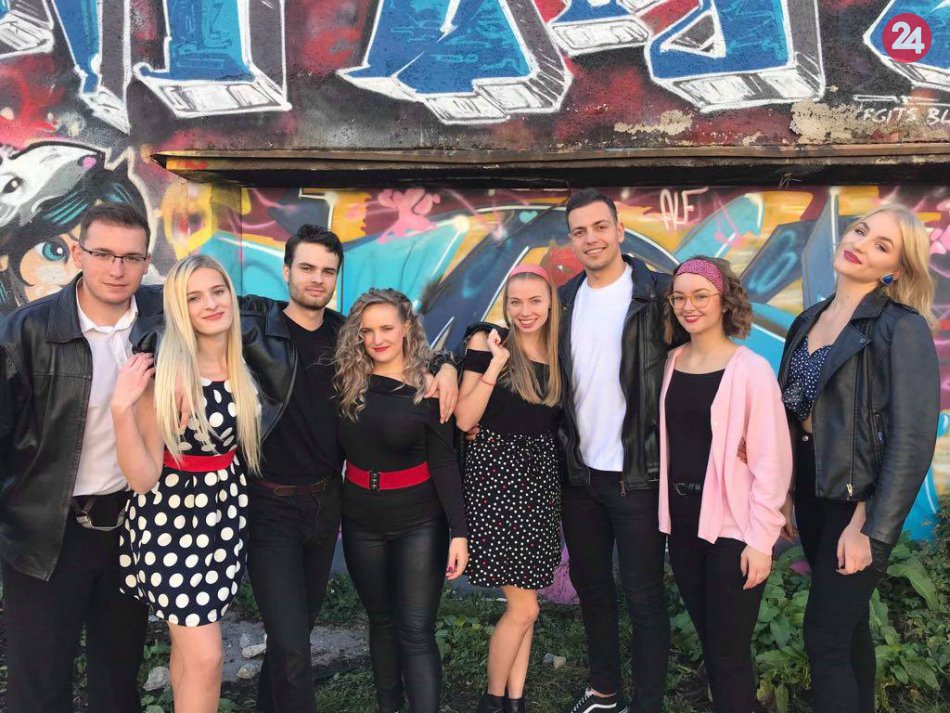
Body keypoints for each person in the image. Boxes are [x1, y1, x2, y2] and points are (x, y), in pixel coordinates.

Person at [777, 204, 939, 713]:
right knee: (848, 634)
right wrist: (785, 491)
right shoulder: (808, 320)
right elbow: (792, 416)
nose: (861, 244)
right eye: (861, 231)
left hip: (859, 502)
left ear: (897, 269)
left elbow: (911, 439)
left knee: (823, 638)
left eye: (881, 245)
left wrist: (869, 524)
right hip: (812, 490)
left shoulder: (899, 327)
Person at [0, 202, 154, 713]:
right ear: (78, 254)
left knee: (118, 681)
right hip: (45, 533)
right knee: (40, 687)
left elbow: (232, 310)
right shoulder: (26, 332)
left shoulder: (160, 324)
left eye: (130, 258)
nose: (117, 269)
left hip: (127, 532)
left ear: (146, 261)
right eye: (103, 254)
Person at [111, 254, 261, 712]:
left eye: (218, 291)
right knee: (208, 657)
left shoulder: (243, 361)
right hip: (170, 523)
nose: (211, 304)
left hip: (223, 519)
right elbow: (142, 478)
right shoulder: (167, 373)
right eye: (194, 298)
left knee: (188, 648)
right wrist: (121, 410)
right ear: (179, 308)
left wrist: (446, 363)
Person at [658, 256, 792, 712]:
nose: (689, 306)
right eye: (679, 298)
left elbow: (772, 460)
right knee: (712, 644)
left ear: (724, 300)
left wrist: (761, 541)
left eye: (701, 296)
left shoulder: (750, 369)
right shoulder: (670, 363)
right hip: (683, 525)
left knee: (728, 653)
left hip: (734, 528)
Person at [557, 188, 673, 713]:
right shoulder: (563, 300)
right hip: (580, 477)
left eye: (600, 227)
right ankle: (605, 691)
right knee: (594, 591)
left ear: (619, 230)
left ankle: (647, 702)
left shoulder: (658, 294)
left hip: (638, 475)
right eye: (580, 231)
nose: (592, 239)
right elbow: (515, 339)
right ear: (571, 240)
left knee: (645, 597)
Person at [335, 288, 469, 713]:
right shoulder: (345, 380)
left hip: (419, 522)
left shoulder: (429, 388)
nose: (377, 339)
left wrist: (459, 532)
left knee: (415, 630)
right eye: (367, 331)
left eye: (387, 328)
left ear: (407, 327)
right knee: (381, 622)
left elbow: (444, 462)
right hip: (361, 521)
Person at [455, 265, 564, 713]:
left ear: (551, 303)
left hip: (540, 484)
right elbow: (465, 418)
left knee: (527, 602)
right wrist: (495, 366)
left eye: (535, 301)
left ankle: (514, 700)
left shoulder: (560, 352)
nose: (525, 311)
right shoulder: (489, 343)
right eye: (515, 302)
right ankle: (492, 699)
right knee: (525, 609)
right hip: (497, 483)